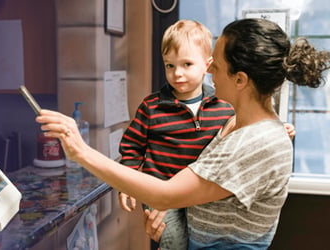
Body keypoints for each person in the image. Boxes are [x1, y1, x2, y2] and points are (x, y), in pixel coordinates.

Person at [36, 18, 330, 249]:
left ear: (240, 79)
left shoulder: (256, 140)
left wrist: (81, 151)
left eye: (216, 65)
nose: (210, 71)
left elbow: (166, 194)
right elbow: (194, 188)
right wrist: (169, 212)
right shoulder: (238, 123)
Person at [117, 19, 234, 250]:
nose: (177, 73)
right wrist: (127, 184)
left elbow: (245, 131)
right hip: (160, 193)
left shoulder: (225, 106)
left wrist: (278, 128)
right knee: (173, 242)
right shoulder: (151, 106)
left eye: (187, 64)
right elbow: (131, 147)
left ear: (208, 65)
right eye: (170, 65)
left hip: (201, 194)